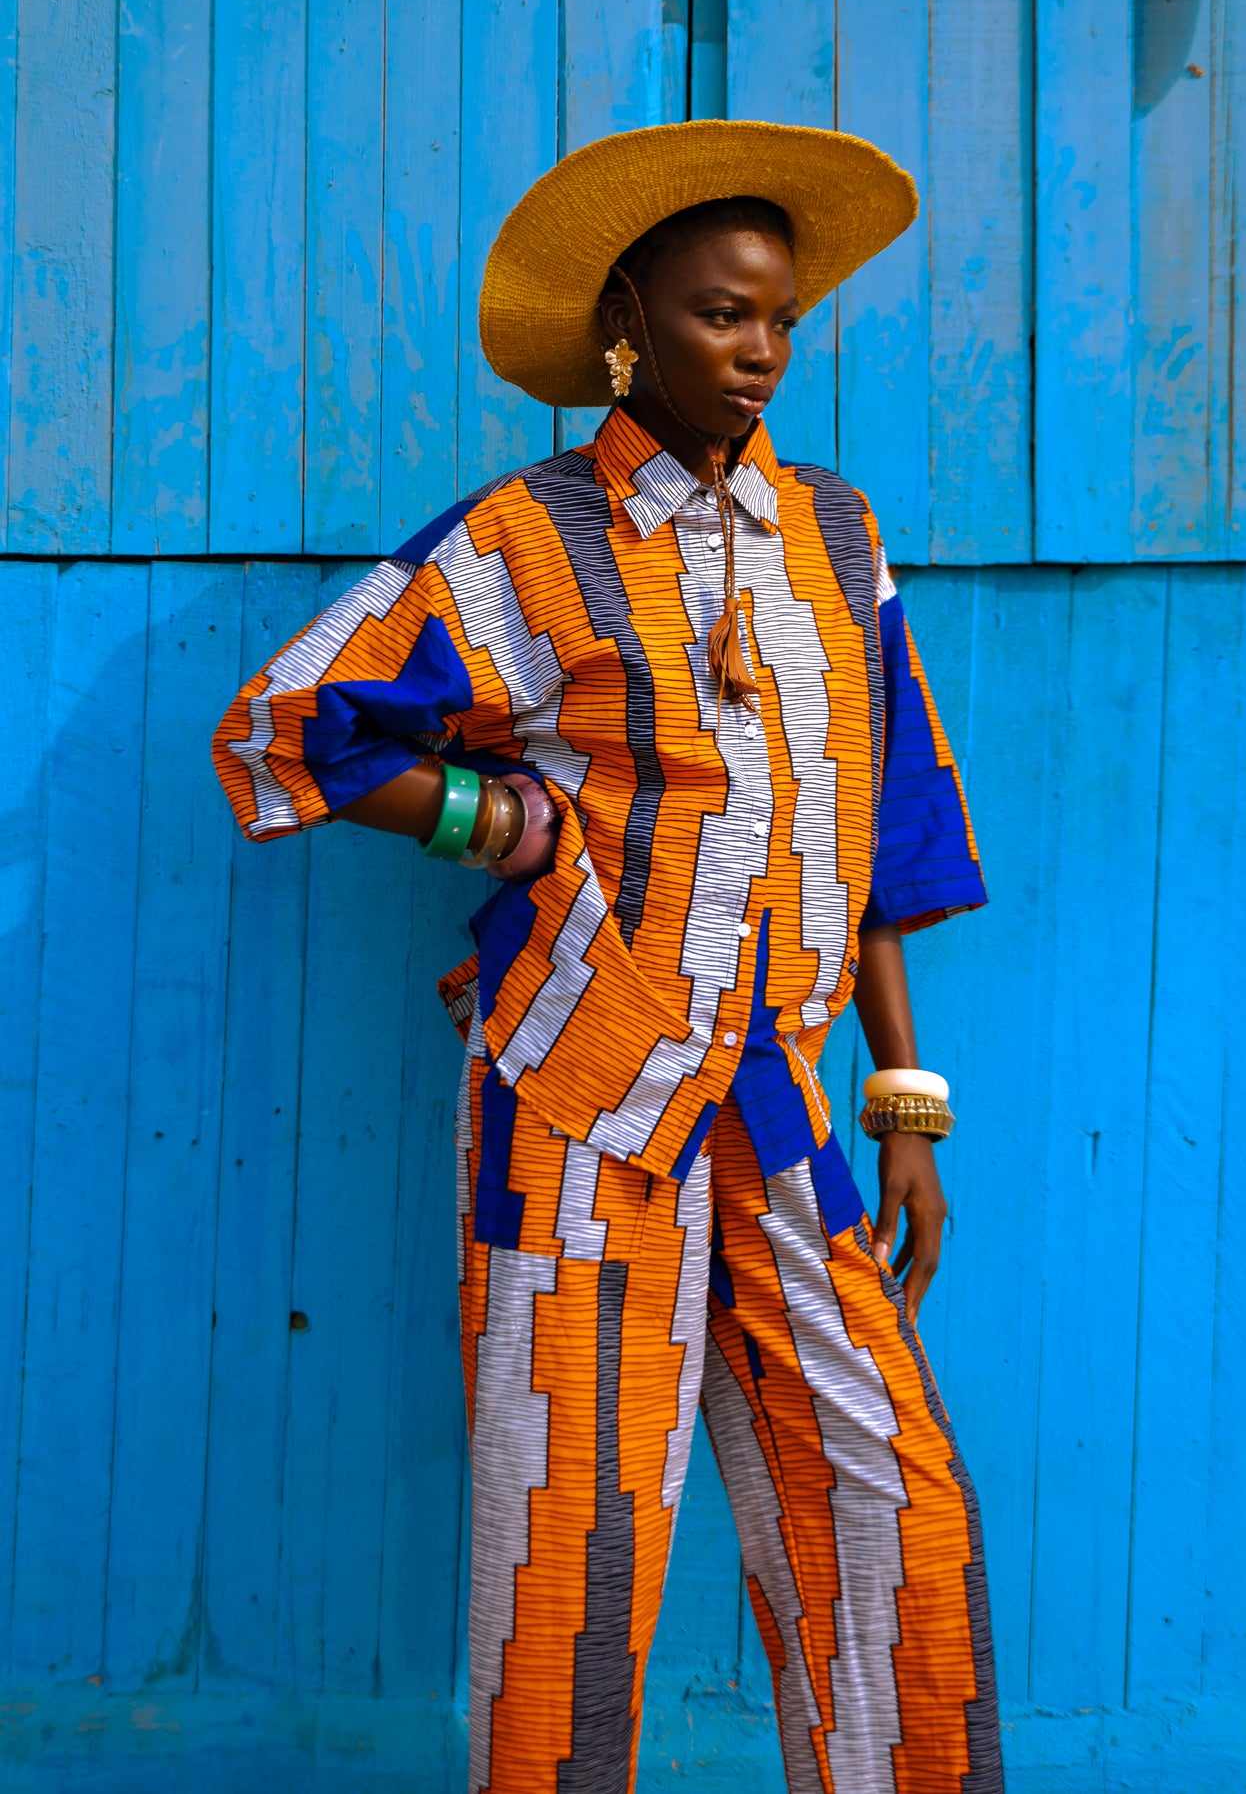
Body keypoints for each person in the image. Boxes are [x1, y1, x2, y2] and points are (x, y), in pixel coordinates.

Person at [212, 119, 1003, 1794]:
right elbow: (291, 727)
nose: (763, 352)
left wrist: (908, 1104)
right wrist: (491, 828)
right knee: (569, 1539)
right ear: (630, 320)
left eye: (783, 319)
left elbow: (882, 834)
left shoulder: (839, 541)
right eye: (725, 315)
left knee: (896, 1512)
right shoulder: (522, 542)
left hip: (785, 1116)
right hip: (577, 1104)